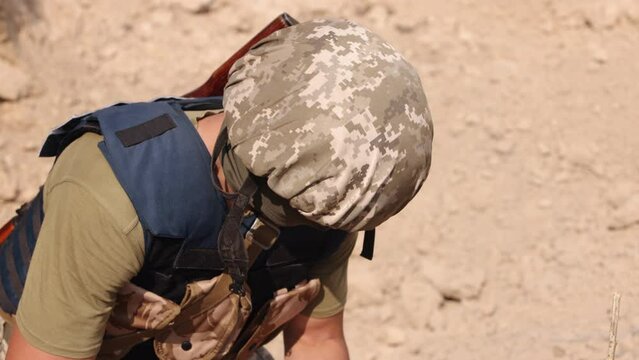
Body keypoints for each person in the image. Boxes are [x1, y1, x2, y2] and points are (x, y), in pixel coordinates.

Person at [0, 18, 433, 360]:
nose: (316, 223)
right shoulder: (116, 194)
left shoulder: (327, 192)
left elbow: (318, 343)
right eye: (297, 210)